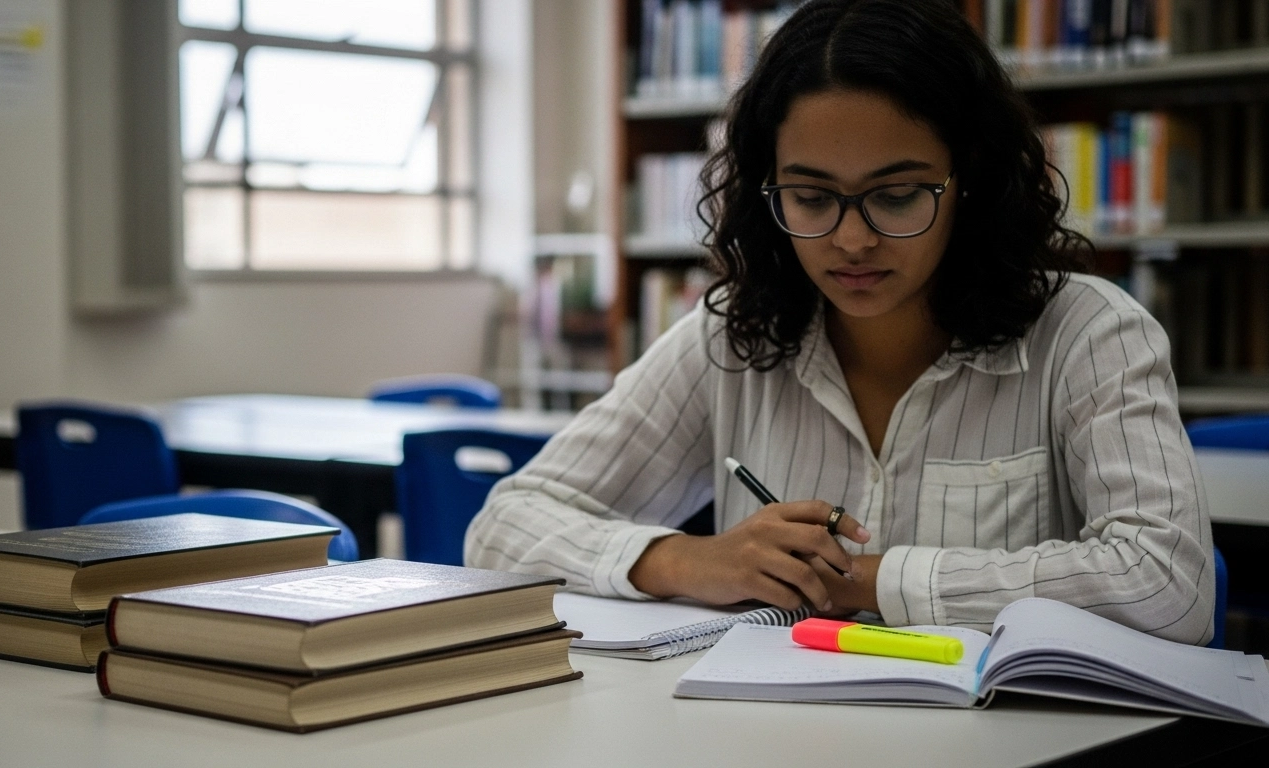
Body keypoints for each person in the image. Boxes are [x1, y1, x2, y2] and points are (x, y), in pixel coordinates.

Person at [466, 0, 1214, 644]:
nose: (852, 240)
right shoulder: (731, 339)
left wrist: (866, 579)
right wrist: (686, 559)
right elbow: (502, 527)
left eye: (896, 196)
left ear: (970, 183)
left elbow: (1169, 585)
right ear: (768, 191)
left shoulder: (1087, 333)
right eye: (813, 198)